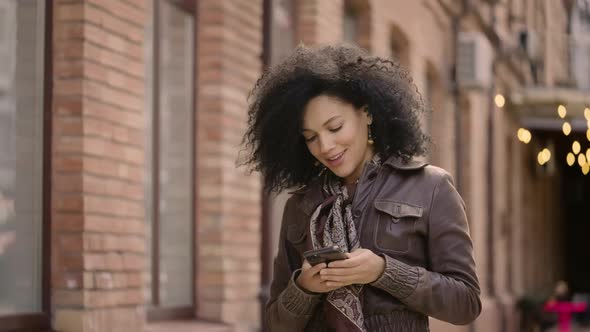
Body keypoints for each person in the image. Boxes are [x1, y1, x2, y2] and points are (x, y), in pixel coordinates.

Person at [241, 44, 481, 331]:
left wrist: (383, 271)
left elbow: (466, 303)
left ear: (367, 113)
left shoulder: (431, 187)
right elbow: (275, 326)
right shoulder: (301, 205)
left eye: (335, 127)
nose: (325, 147)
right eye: (310, 137)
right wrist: (304, 288)